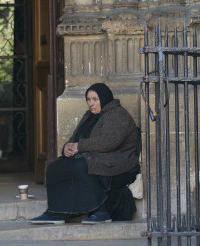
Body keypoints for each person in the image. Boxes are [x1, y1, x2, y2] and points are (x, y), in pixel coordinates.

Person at [30, 82, 140, 224]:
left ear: (104, 98)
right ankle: (56, 213)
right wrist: (67, 148)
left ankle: (101, 212)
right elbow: (75, 137)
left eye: (95, 99)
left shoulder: (118, 115)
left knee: (83, 167)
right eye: (88, 99)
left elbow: (108, 142)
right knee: (55, 167)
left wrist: (79, 146)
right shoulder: (88, 116)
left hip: (117, 159)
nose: (91, 103)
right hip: (94, 155)